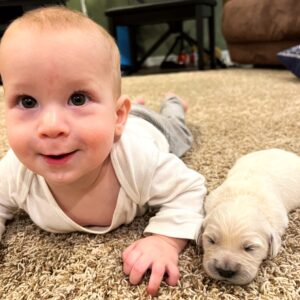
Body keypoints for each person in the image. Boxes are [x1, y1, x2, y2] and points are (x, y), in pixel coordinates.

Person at [0, 6, 206, 296]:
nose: (51, 127)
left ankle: (173, 103)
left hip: (152, 131)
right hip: (123, 116)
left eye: (78, 98)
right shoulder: (16, 171)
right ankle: (133, 105)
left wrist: (166, 240)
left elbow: (190, 189)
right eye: (28, 102)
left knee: (177, 126)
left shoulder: (138, 159)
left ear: (117, 118)